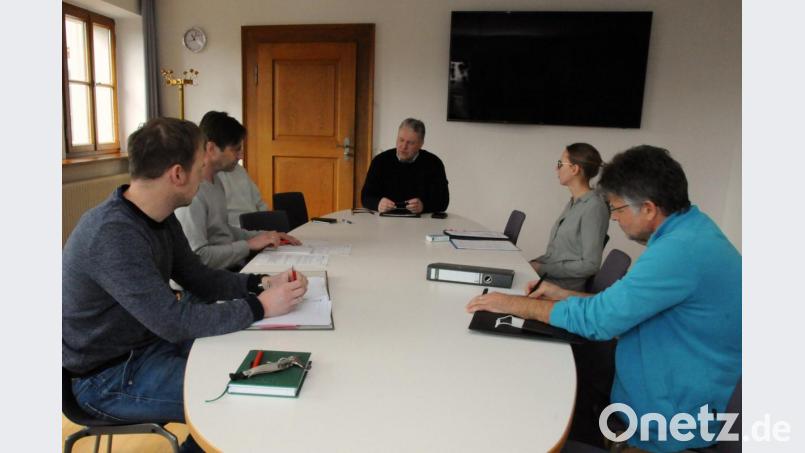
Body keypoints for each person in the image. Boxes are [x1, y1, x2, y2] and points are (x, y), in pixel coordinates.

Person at [467, 146, 741, 452]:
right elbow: (627, 306)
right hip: (660, 406)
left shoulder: (680, 251)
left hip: (666, 430)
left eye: (617, 210)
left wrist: (514, 304)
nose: (615, 220)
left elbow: (600, 320)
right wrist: (565, 294)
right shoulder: (692, 230)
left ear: (648, 208)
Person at [63, 118, 309, 452]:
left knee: (259, 371)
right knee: (243, 397)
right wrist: (261, 305)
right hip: (106, 377)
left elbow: (200, 278)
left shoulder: (159, 217)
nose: (206, 170)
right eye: (200, 164)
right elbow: (173, 321)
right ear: (178, 174)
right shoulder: (112, 234)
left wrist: (261, 282)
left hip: (149, 346)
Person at [175, 111, 300, 271]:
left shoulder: (216, 181)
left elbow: (223, 232)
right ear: (211, 148)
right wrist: (248, 245)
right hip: (207, 283)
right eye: (236, 149)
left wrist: (266, 235)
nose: (241, 155)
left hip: (226, 270)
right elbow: (198, 257)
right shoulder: (193, 193)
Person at [530, 143, 610, 291]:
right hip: (547, 279)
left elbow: (590, 265)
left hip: (561, 289)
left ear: (574, 169)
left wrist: (541, 268)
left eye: (560, 164)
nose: (556, 168)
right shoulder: (574, 202)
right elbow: (558, 254)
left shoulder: (594, 207)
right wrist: (534, 264)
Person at [361, 118, 449, 214]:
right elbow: (365, 197)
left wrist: (424, 206)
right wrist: (378, 203)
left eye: (410, 143)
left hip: (420, 223)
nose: (403, 146)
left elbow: (443, 201)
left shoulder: (434, 164)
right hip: (385, 220)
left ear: (421, 144)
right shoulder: (380, 161)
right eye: (401, 140)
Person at [218, 163, 269, 229]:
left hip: (256, 226)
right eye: (235, 152)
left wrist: (268, 224)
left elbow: (259, 202)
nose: (240, 157)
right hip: (234, 231)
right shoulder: (209, 177)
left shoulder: (239, 169)